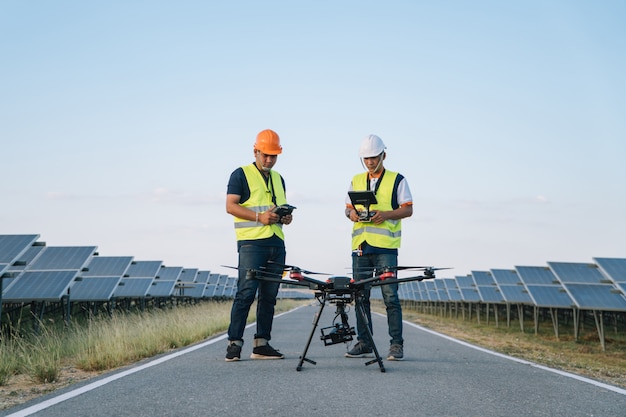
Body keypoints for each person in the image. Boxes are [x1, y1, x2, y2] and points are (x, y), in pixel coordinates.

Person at [224, 129, 293, 361]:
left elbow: (277, 207)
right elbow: (231, 206)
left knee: (269, 296)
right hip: (252, 244)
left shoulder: (278, 178)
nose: (269, 159)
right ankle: (234, 344)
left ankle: (261, 344)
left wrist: (285, 217)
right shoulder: (240, 175)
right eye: (265, 154)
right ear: (255, 151)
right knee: (245, 294)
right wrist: (259, 218)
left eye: (273, 155)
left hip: (276, 243)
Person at [344, 134, 413, 361]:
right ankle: (364, 341)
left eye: (374, 157)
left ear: (384, 154)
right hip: (361, 246)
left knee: (390, 297)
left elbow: (407, 209)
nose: (370, 162)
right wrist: (351, 213)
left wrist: (386, 215)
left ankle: (396, 345)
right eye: (366, 159)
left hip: (385, 248)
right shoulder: (356, 180)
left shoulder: (397, 180)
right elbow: (347, 210)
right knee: (360, 297)